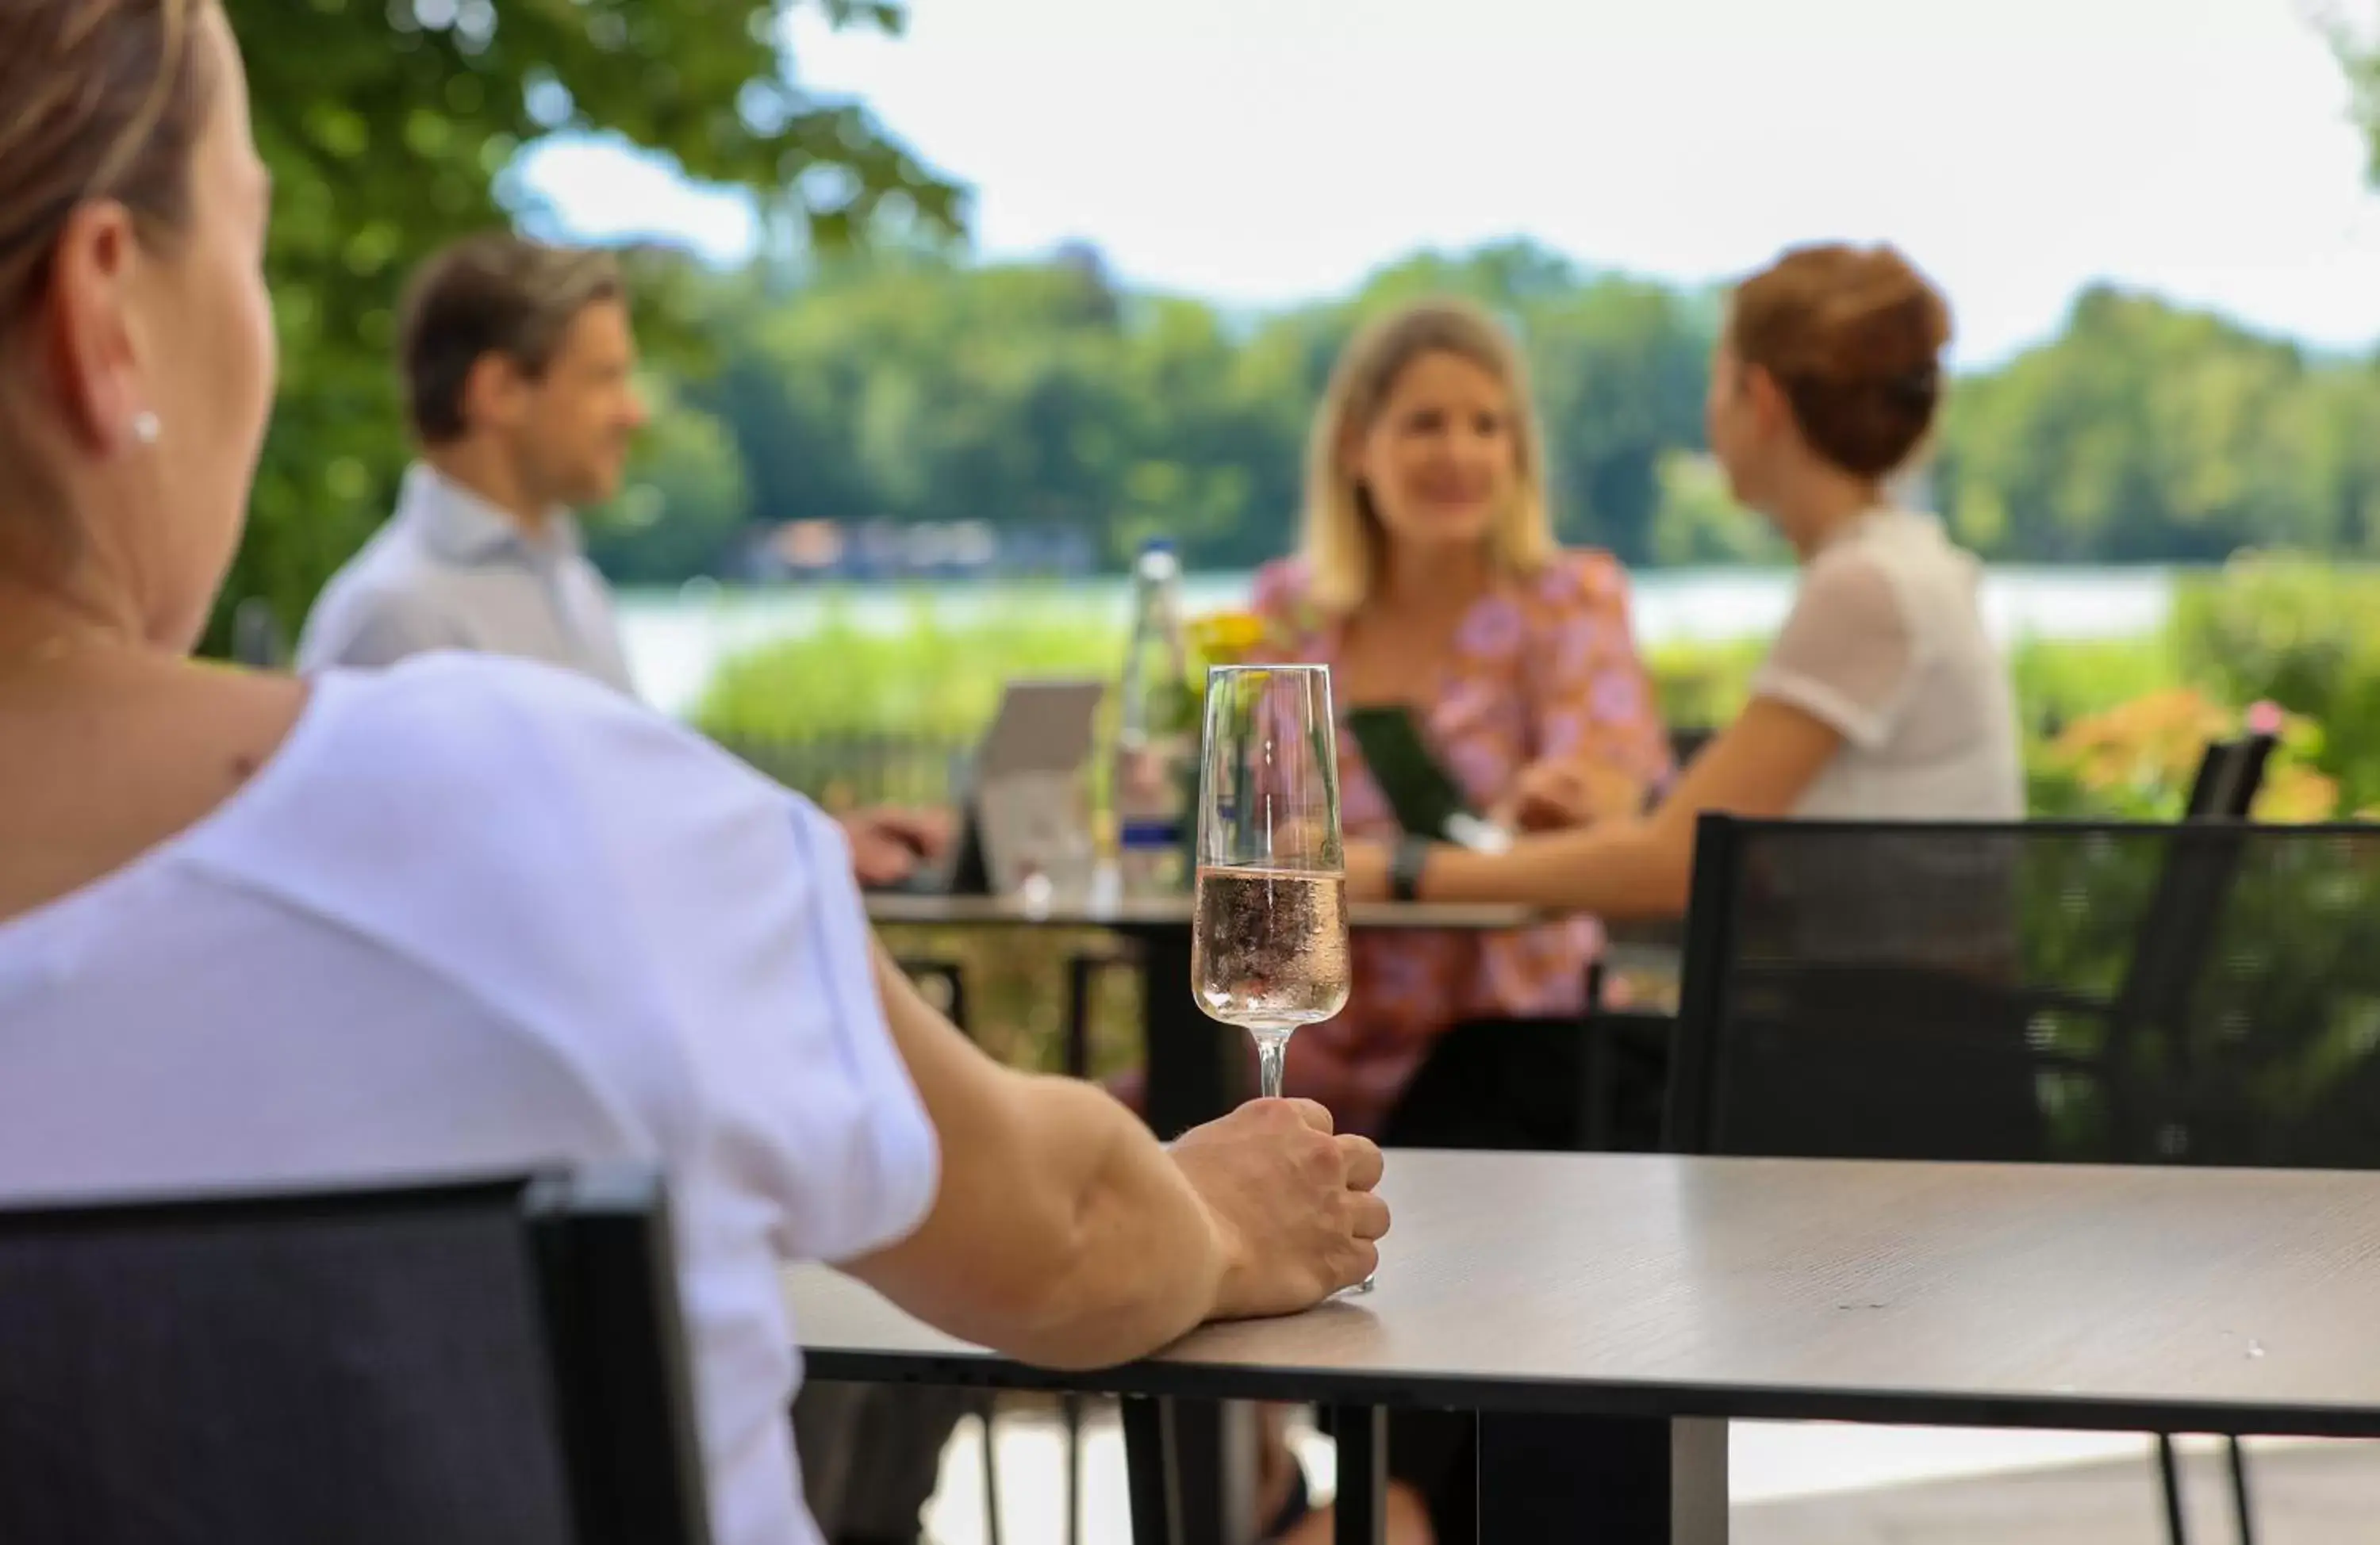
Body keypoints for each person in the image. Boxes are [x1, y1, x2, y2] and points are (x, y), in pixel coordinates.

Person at [0, 17, 1388, 1545]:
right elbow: (1066, 1235)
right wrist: (1218, 1214)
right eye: (248, 245)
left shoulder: (550, 668)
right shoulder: (516, 791)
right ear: (105, 308)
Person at [1347, 243, 2021, 915]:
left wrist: (1396, 872)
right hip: (1889, 1001)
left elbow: (1677, 863)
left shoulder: (1869, 584)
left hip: (1879, 1014)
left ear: (1757, 400)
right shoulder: (1906, 565)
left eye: (1715, 381)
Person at [294, 232, 943, 888]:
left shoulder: (572, 585)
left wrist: (812, 845)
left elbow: (635, 826)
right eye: (605, 378)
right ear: (499, 391)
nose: (633, 412)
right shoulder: (396, 615)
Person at [1238, 297, 1673, 1144]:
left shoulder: (1571, 598)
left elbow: (1611, 815)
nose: (1460, 454)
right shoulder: (1289, 613)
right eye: (1426, 424)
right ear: (1357, 447)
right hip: (1303, 1042)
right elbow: (1234, 822)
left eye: (1487, 425)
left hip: (1511, 1048)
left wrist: (1555, 812)